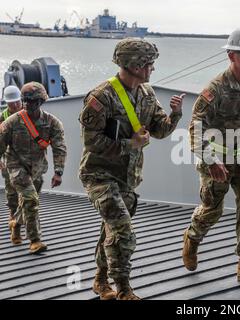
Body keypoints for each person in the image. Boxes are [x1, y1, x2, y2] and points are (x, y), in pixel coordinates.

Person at [79, 38, 185, 300]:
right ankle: (124, 289)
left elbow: (159, 130)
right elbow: (91, 142)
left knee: (112, 229)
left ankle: (100, 280)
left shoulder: (147, 94)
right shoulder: (101, 97)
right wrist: (131, 143)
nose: (152, 68)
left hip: (127, 179)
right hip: (99, 176)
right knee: (123, 231)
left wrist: (176, 114)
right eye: (148, 63)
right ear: (134, 64)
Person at [183, 28, 240, 283]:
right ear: (231, 56)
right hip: (216, 160)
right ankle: (191, 238)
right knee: (212, 210)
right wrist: (210, 161)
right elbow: (195, 126)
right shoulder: (216, 88)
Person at [0, 82, 67, 253]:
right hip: (16, 167)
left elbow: (59, 147)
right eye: (26, 101)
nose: (29, 105)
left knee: (29, 201)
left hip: (37, 168)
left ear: (41, 101)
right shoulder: (11, 122)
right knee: (31, 199)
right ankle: (35, 240)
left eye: (34, 101)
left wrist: (58, 172)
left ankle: (16, 222)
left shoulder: (52, 123)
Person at [1, 86, 23, 222]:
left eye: (17, 102)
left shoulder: (29, 113)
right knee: (11, 189)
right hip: (9, 158)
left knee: (28, 189)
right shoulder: (2, 117)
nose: (15, 105)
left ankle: (26, 215)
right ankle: (13, 213)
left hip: (28, 157)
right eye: (11, 103)